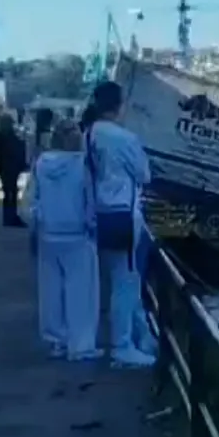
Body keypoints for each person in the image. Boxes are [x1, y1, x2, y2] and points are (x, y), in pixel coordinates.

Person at [86, 81, 157, 368]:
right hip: (124, 216)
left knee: (122, 279)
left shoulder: (90, 133)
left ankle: (143, 337)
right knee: (126, 283)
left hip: (101, 213)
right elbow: (144, 174)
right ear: (118, 105)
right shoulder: (124, 138)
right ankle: (122, 346)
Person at [28, 120, 102, 361]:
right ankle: (80, 346)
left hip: (48, 234)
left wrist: (37, 222)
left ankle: (56, 340)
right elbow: (90, 200)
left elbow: (30, 200)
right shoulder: (82, 166)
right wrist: (92, 224)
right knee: (81, 292)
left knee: (51, 292)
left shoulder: (41, 164)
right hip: (77, 234)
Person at [0, 114, 28, 227]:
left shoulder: (0, 136)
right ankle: (12, 217)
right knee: (12, 193)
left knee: (7, 193)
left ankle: (7, 217)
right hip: (11, 167)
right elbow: (16, 148)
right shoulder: (9, 136)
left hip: (3, 168)